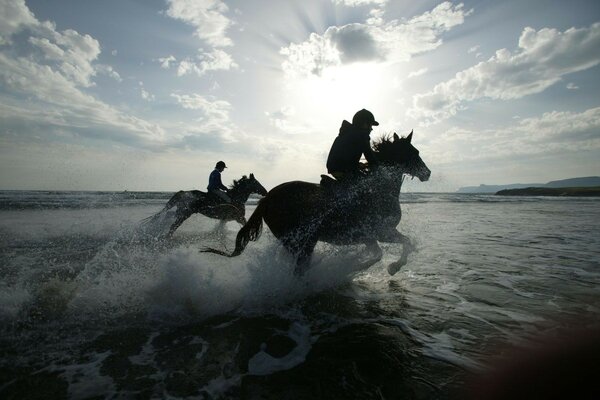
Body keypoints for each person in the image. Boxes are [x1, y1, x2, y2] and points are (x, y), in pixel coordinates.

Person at [326, 109, 379, 181]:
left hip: (334, 168)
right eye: (370, 125)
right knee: (369, 183)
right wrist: (379, 169)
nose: (371, 129)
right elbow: (369, 155)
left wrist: (358, 165)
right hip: (344, 170)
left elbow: (345, 156)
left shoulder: (346, 133)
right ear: (365, 124)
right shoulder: (362, 135)